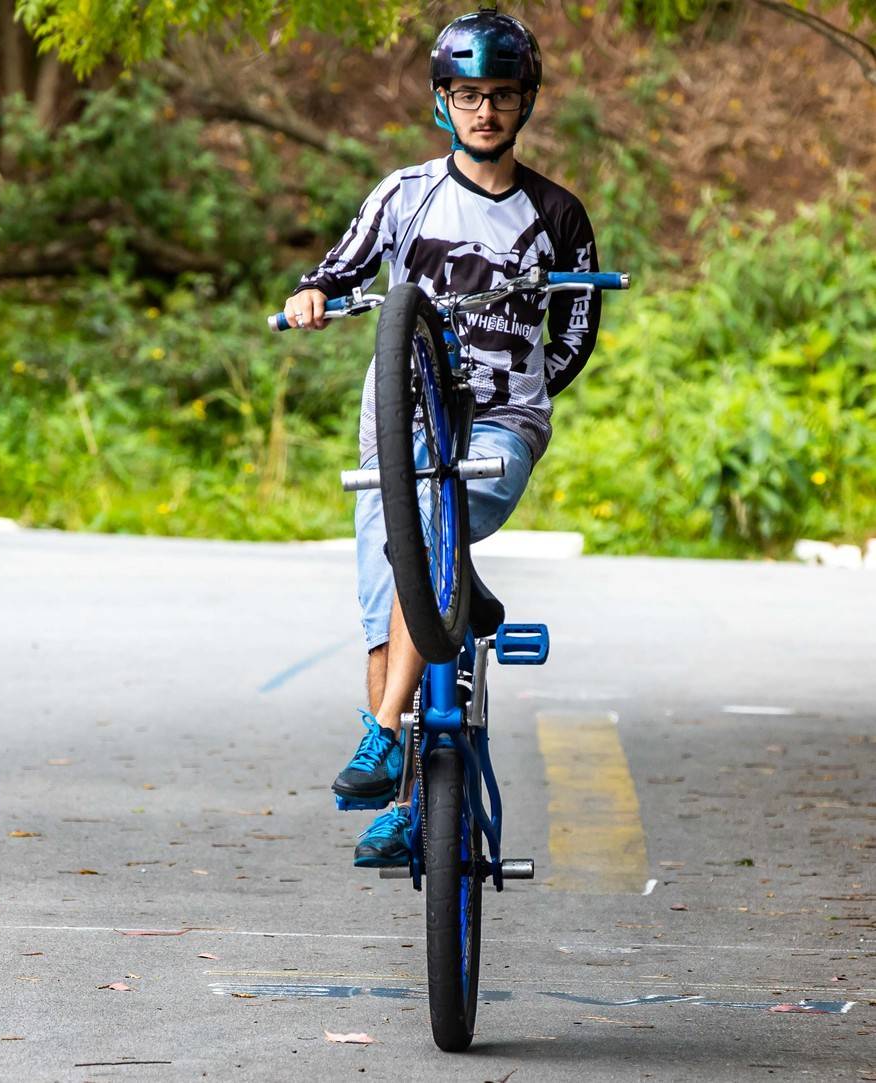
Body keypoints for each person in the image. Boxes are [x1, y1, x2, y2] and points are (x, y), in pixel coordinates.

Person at [281, 7, 603, 866]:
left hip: (498, 423)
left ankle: (383, 735)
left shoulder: (557, 215)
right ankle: (407, 802)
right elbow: (340, 269)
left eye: (501, 95)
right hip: (398, 424)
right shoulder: (405, 194)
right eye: (468, 95)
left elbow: (574, 333)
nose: (485, 112)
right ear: (443, 103)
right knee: (384, 621)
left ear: (524, 102)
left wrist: (519, 391)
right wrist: (313, 296)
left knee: (421, 543)